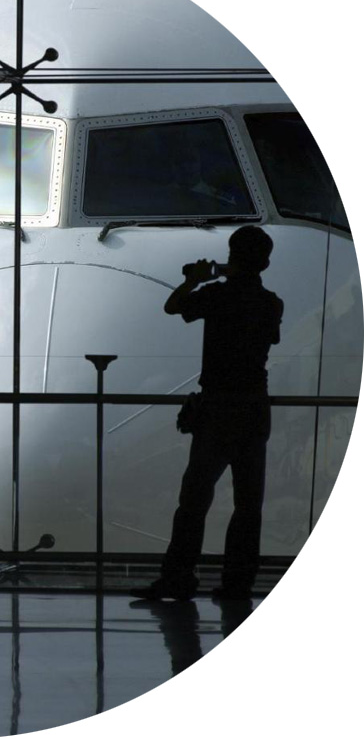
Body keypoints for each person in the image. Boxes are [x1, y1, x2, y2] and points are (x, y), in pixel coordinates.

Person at [132, 225, 283, 601]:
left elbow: (173, 306)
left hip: (217, 409)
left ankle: (178, 577)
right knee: (248, 505)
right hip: (254, 408)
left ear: (231, 257)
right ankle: (238, 584)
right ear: (265, 263)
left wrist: (196, 280)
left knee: (194, 501)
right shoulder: (271, 303)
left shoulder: (216, 296)